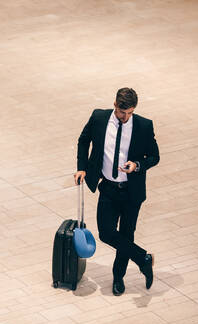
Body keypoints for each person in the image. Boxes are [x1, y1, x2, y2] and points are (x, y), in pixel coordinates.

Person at [74, 87, 160, 296]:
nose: (126, 117)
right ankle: (143, 258)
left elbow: (154, 156)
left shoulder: (143, 125)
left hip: (132, 191)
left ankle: (118, 278)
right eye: (123, 112)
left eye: (130, 112)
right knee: (106, 232)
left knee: (126, 235)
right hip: (109, 188)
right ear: (115, 105)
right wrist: (82, 167)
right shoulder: (99, 118)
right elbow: (83, 140)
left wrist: (137, 165)